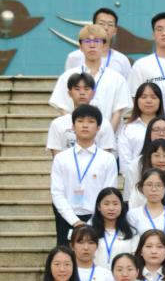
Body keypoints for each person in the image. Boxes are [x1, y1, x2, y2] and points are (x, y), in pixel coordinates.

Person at [51, 105, 118, 244]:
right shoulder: (61, 158)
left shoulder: (107, 159)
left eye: (91, 121)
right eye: (80, 121)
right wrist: (75, 221)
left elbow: (109, 193)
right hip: (67, 218)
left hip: (98, 219)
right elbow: (57, 192)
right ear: (73, 126)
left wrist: (92, 221)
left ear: (98, 127)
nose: (85, 125)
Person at [50, 24, 132, 132]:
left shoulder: (117, 79)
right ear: (80, 46)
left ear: (104, 46)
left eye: (97, 41)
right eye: (87, 41)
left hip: (107, 138)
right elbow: (63, 109)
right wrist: (76, 133)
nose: (92, 45)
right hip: (74, 137)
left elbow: (118, 112)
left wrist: (107, 136)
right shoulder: (67, 76)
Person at [47, 73, 117, 157]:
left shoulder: (104, 124)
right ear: (69, 93)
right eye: (77, 89)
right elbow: (57, 158)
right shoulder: (57, 124)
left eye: (86, 89)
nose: (82, 93)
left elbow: (106, 158)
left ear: (93, 93)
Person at [65, 8, 131, 78]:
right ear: (93, 26)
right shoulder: (74, 57)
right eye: (101, 23)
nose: (106, 28)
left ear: (115, 31)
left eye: (110, 24)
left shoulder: (122, 60)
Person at [128, 12, 165, 91]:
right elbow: (133, 95)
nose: (164, 33)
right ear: (153, 35)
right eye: (159, 29)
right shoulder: (140, 65)